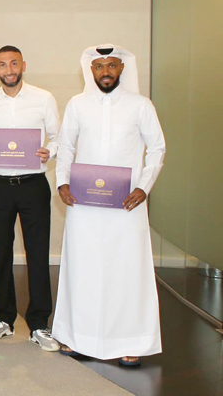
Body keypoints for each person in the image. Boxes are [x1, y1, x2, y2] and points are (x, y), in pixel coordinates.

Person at [53, 44, 166, 367]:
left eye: (112, 66)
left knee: (127, 270)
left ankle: (130, 342)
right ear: (91, 71)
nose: (105, 72)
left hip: (126, 205)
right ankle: (78, 338)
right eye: (99, 66)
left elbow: (157, 149)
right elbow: (65, 145)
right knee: (83, 267)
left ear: (122, 69)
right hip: (83, 203)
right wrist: (62, 181)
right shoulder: (77, 104)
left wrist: (144, 187)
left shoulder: (140, 105)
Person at [0, 46, 60, 351]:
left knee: (37, 254)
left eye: (13, 63)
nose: (8, 69)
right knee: (0, 253)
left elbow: (58, 137)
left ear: (23, 65)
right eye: (2, 65)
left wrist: (52, 151)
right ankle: (4, 319)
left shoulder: (43, 98)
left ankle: (39, 323)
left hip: (33, 184)